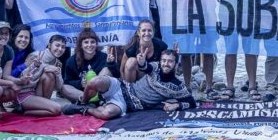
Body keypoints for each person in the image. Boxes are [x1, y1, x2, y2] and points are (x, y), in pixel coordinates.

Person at [66, 49, 196, 120]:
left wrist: (176, 105)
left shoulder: (178, 86)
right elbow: (146, 67)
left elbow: (192, 102)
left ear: (176, 64)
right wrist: (141, 62)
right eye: (164, 61)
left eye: (170, 61)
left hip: (127, 104)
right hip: (121, 86)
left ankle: (84, 109)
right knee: (95, 81)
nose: (166, 64)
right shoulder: (156, 67)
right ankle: (83, 102)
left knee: (107, 114)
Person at [63, 28, 110, 103]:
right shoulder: (71, 61)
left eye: (92, 42)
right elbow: (67, 81)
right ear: (81, 45)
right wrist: (80, 83)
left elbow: (116, 76)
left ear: (96, 44)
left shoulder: (104, 57)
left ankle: (97, 98)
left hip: (99, 91)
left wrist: (112, 63)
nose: (89, 45)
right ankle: (86, 99)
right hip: (81, 92)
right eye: (86, 42)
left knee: (106, 70)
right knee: (64, 88)